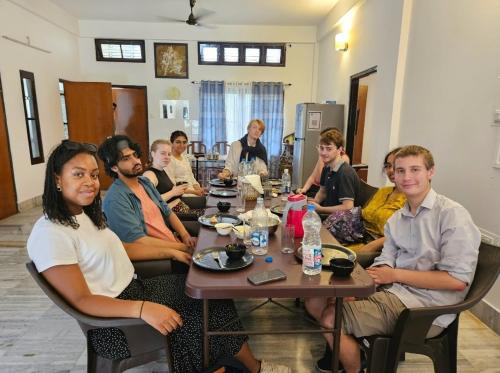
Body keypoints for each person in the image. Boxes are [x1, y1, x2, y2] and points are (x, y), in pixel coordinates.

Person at [27, 140, 289, 373]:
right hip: (114, 325)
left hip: (134, 290)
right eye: (78, 174)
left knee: (212, 297)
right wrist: (142, 309)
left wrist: (176, 250)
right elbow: (81, 300)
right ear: (57, 179)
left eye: (94, 175)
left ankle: (250, 367)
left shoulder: (83, 216)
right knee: (196, 317)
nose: (90, 182)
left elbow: (122, 249)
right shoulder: (50, 233)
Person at [307, 145, 481, 373]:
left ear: (431, 172)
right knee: (319, 300)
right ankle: (354, 355)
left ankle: (354, 367)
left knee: (331, 318)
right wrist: (365, 284)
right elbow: (385, 260)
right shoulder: (398, 219)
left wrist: (395, 275)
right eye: (400, 171)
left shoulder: (452, 215)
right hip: (393, 292)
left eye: (415, 169)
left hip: (423, 309)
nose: (406, 177)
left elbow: (456, 281)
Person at [98, 135, 197, 255]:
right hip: (162, 256)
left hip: (174, 242)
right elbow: (138, 241)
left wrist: (185, 235)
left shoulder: (145, 183)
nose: (136, 161)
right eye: (126, 159)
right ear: (114, 167)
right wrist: (182, 248)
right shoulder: (116, 199)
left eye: (135, 155)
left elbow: (167, 211)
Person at [323, 148, 406, 253]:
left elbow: (401, 236)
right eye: (388, 166)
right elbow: (363, 213)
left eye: (395, 165)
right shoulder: (383, 191)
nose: (390, 170)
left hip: (377, 249)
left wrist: (370, 247)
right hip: (356, 236)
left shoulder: (411, 200)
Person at [143, 139, 205, 218]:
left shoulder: (162, 170)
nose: (167, 157)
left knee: (210, 204)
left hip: (182, 207)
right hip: (173, 216)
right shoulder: (149, 175)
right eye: (163, 153)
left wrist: (180, 190)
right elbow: (149, 202)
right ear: (153, 154)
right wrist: (173, 192)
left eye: (169, 154)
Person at [308, 129, 360, 214]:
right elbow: (322, 192)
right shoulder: (327, 167)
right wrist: (313, 203)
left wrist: (320, 209)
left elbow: (348, 207)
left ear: (340, 149)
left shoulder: (345, 172)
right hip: (329, 215)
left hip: (341, 221)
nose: (323, 153)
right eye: (321, 148)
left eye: (329, 149)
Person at [296, 128, 350, 198]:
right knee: (295, 196)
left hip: (326, 192)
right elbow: (313, 176)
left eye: (328, 148)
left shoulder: (343, 160)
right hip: (318, 189)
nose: (324, 151)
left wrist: (323, 158)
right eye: (321, 147)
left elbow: (325, 181)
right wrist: (304, 189)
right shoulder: (324, 157)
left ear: (339, 148)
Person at [167, 131, 204, 196]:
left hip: (193, 193)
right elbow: (172, 186)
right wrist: (195, 192)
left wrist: (199, 189)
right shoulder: (169, 160)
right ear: (171, 143)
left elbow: (191, 177)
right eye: (178, 142)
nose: (182, 145)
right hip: (181, 196)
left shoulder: (185, 158)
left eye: (184, 142)